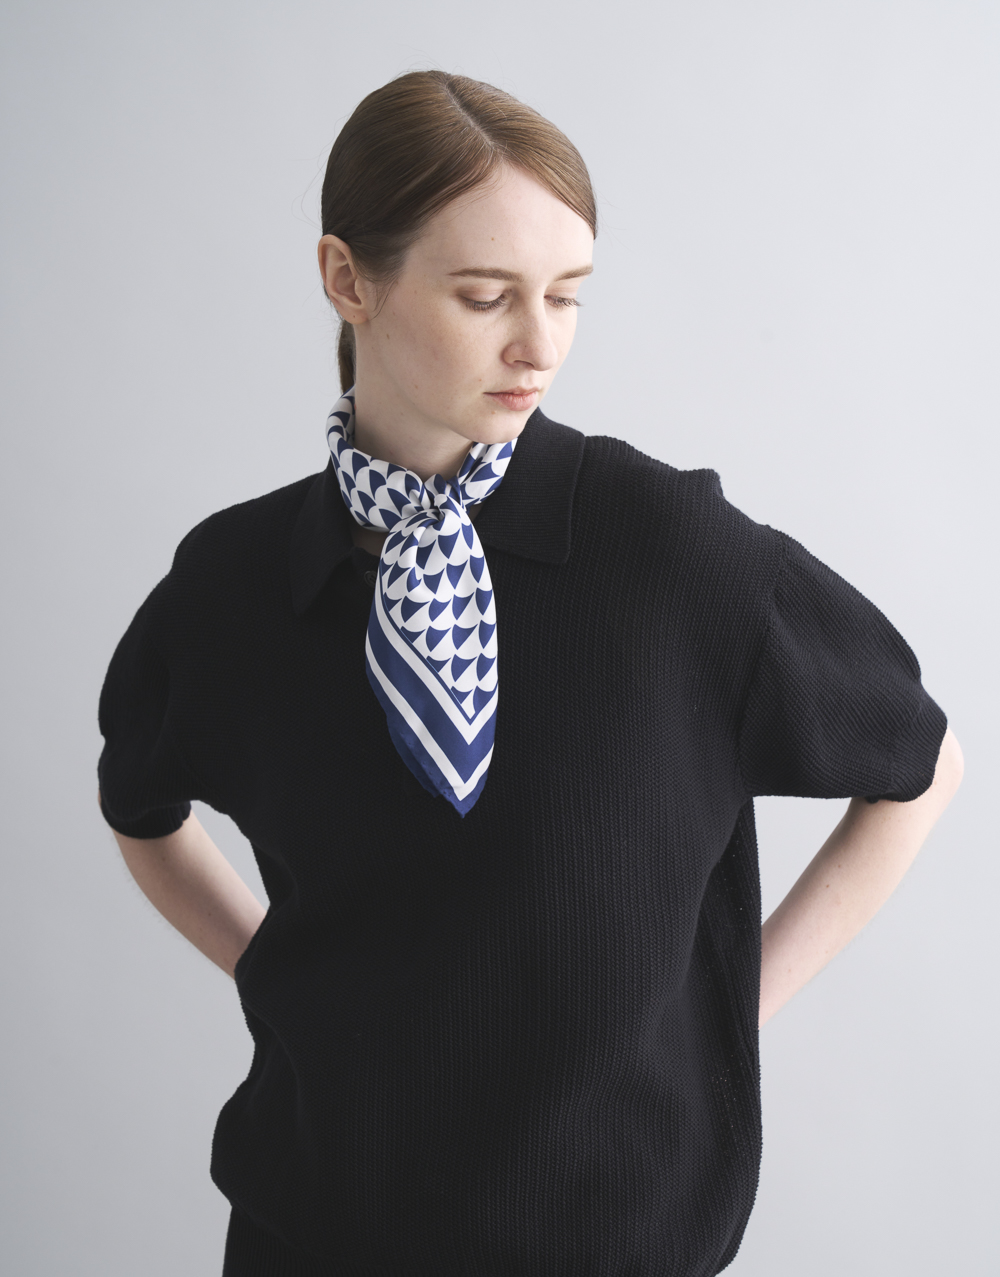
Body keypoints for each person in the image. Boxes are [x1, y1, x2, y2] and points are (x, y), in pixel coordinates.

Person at [95, 70, 963, 1277]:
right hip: (311, 1235)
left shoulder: (670, 555)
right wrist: (278, 972)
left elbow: (919, 763)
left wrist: (724, 1007)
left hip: (610, 1245)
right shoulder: (236, 583)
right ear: (347, 278)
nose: (539, 344)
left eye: (566, 294)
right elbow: (139, 805)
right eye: (485, 295)